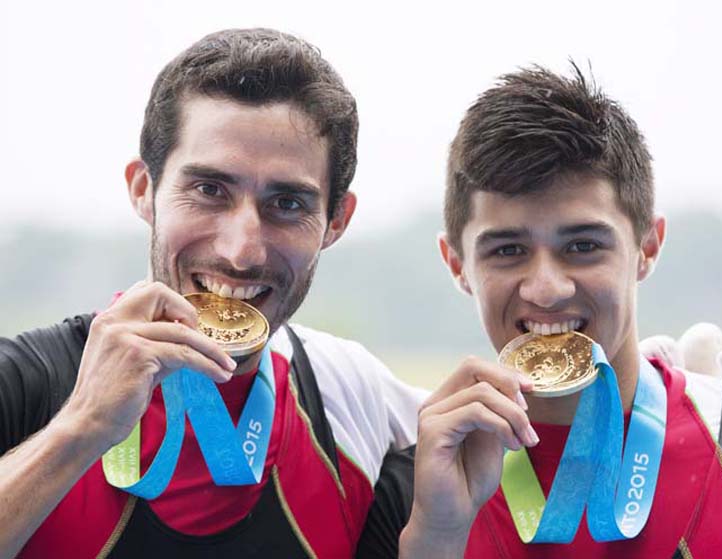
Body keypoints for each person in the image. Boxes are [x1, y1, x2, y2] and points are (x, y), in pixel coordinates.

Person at [0, 28, 426, 559]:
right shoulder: (22, 383)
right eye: (209, 190)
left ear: (335, 222)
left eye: (288, 203)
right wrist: (82, 426)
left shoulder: (358, 397)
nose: (241, 251)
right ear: (144, 190)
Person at [383, 65, 722, 558]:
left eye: (582, 244)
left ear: (648, 247)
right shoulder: (414, 487)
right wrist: (438, 540)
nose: (547, 290)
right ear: (457, 265)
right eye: (508, 250)